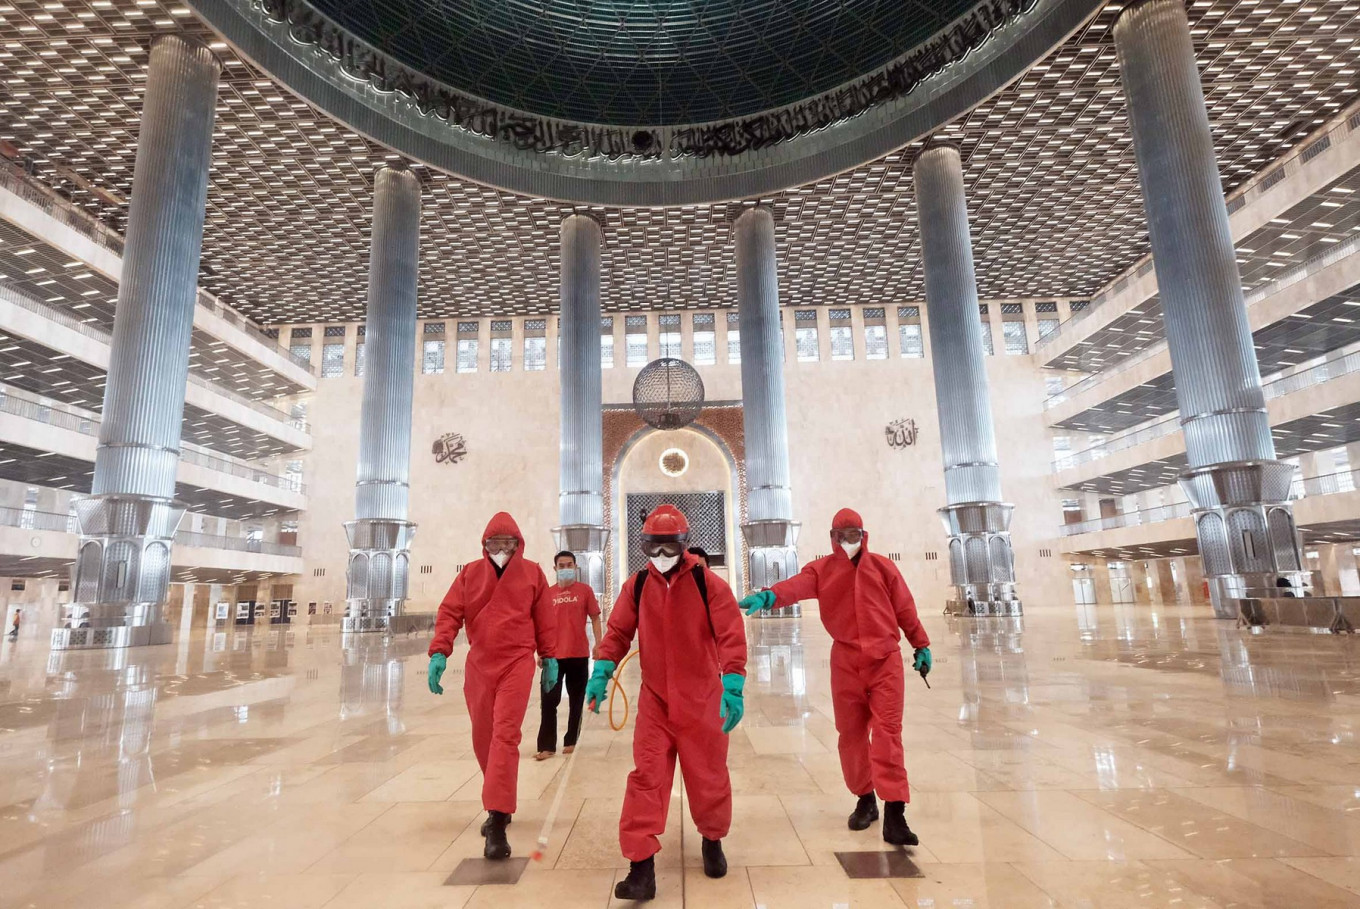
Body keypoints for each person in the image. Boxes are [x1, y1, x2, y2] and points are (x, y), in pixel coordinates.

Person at [741, 508, 930, 847]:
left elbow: (905, 608)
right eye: (841, 536)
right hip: (845, 662)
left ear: (864, 535)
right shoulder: (823, 570)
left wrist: (921, 644)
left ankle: (895, 813)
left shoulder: (883, 568)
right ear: (832, 538)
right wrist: (769, 596)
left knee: (887, 733)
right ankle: (865, 798)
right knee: (851, 734)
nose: (847, 542)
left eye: (853, 535)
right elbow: (796, 586)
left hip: (885, 661)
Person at [586, 504, 747, 902]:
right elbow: (618, 631)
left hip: (702, 702)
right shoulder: (638, 585)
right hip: (656, 704)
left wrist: (733, 682)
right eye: (653, 548)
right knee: (647, 778)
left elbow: (730, 633)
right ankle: (641, 867)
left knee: (708, 776)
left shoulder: (708, 585)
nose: (660, 556)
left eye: (668, 548)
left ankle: (712, 838)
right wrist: (602, 669)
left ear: (683, 545)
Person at [427, 513, 558, 860]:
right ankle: (498, 797)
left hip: (517, 662)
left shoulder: (533, 574)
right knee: (484, 737)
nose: (501, 550)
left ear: (518, 545)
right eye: (494, 543)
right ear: (484, 545)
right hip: (480, 665)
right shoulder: (469, 574)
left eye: (508, 543)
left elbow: (545, 619)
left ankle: (497, 818)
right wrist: (440, 651)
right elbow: (450, 613)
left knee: (505, 735)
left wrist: (549, 656)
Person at [535, 550, 602, 761]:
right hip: (552, 657)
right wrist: (540, 651)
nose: (565, 569)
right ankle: (546, 746)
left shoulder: (585, 591)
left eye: (569, 565)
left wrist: (599, 644)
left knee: (576, 700)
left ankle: (572, 740)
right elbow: (539, 625)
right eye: (561, 566)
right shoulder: (547, 593)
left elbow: (595, 618)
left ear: (575, 567)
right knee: (548, 701)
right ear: (555, 569)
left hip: (578, 654)